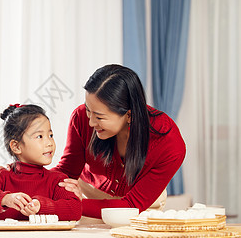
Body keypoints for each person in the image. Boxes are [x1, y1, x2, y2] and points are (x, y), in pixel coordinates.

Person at [54, 64, 186, 218]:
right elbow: (67, 171)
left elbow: (131, 205)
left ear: (129, 115)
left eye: (99, 117)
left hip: (138, 207)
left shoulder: (169, 143)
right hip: (88, 196)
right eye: (88, 109)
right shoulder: (81, 117)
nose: (90, 122)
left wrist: (72, 205)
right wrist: (31, 181)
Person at [0, 104, 82, 221]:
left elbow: (75, 210)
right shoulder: (0, 177)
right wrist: (4, 199)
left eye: (50, 135)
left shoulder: (57, 180)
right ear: (16, 146)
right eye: (40, 136)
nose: (49, 142)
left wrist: (42, 206)